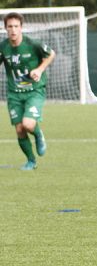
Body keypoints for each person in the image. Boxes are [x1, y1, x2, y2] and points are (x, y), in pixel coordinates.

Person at [2, 12, 55, 170]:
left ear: (21, 28)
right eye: (10, 26)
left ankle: (38, 134)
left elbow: (51, 54)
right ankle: (31, 161)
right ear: (5, 28)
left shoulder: (33, 44)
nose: (13, 30)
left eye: (16, 26)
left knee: (28, 124)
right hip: (14, 94)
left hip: (34, 91)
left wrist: (39, 70)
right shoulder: (3, 47)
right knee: (19, 129)